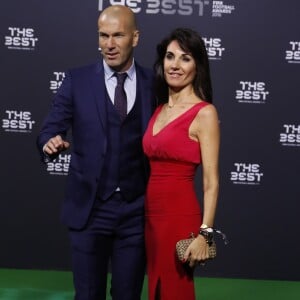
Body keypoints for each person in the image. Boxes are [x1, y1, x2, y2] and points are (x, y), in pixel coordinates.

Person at [37, 5, 156, 300]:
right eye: (104, 36)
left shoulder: (154, 83)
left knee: (127, 295)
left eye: (118, 35)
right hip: (90, 211)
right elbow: (49, 129)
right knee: (88, 295)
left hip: (136, 211)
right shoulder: (76, 81)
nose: (109, 44)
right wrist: (49, 142)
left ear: (135, 37)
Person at [142, 28, 220, 300]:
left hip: (179, 216)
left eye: (185, 58)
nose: (175, 65)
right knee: (155, 289)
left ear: (197, 66)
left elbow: (211, 182)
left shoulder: (205, 113)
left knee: (174, 290)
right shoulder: (158, 108)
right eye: (169, 56)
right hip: (149, 218)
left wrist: (205, 234)